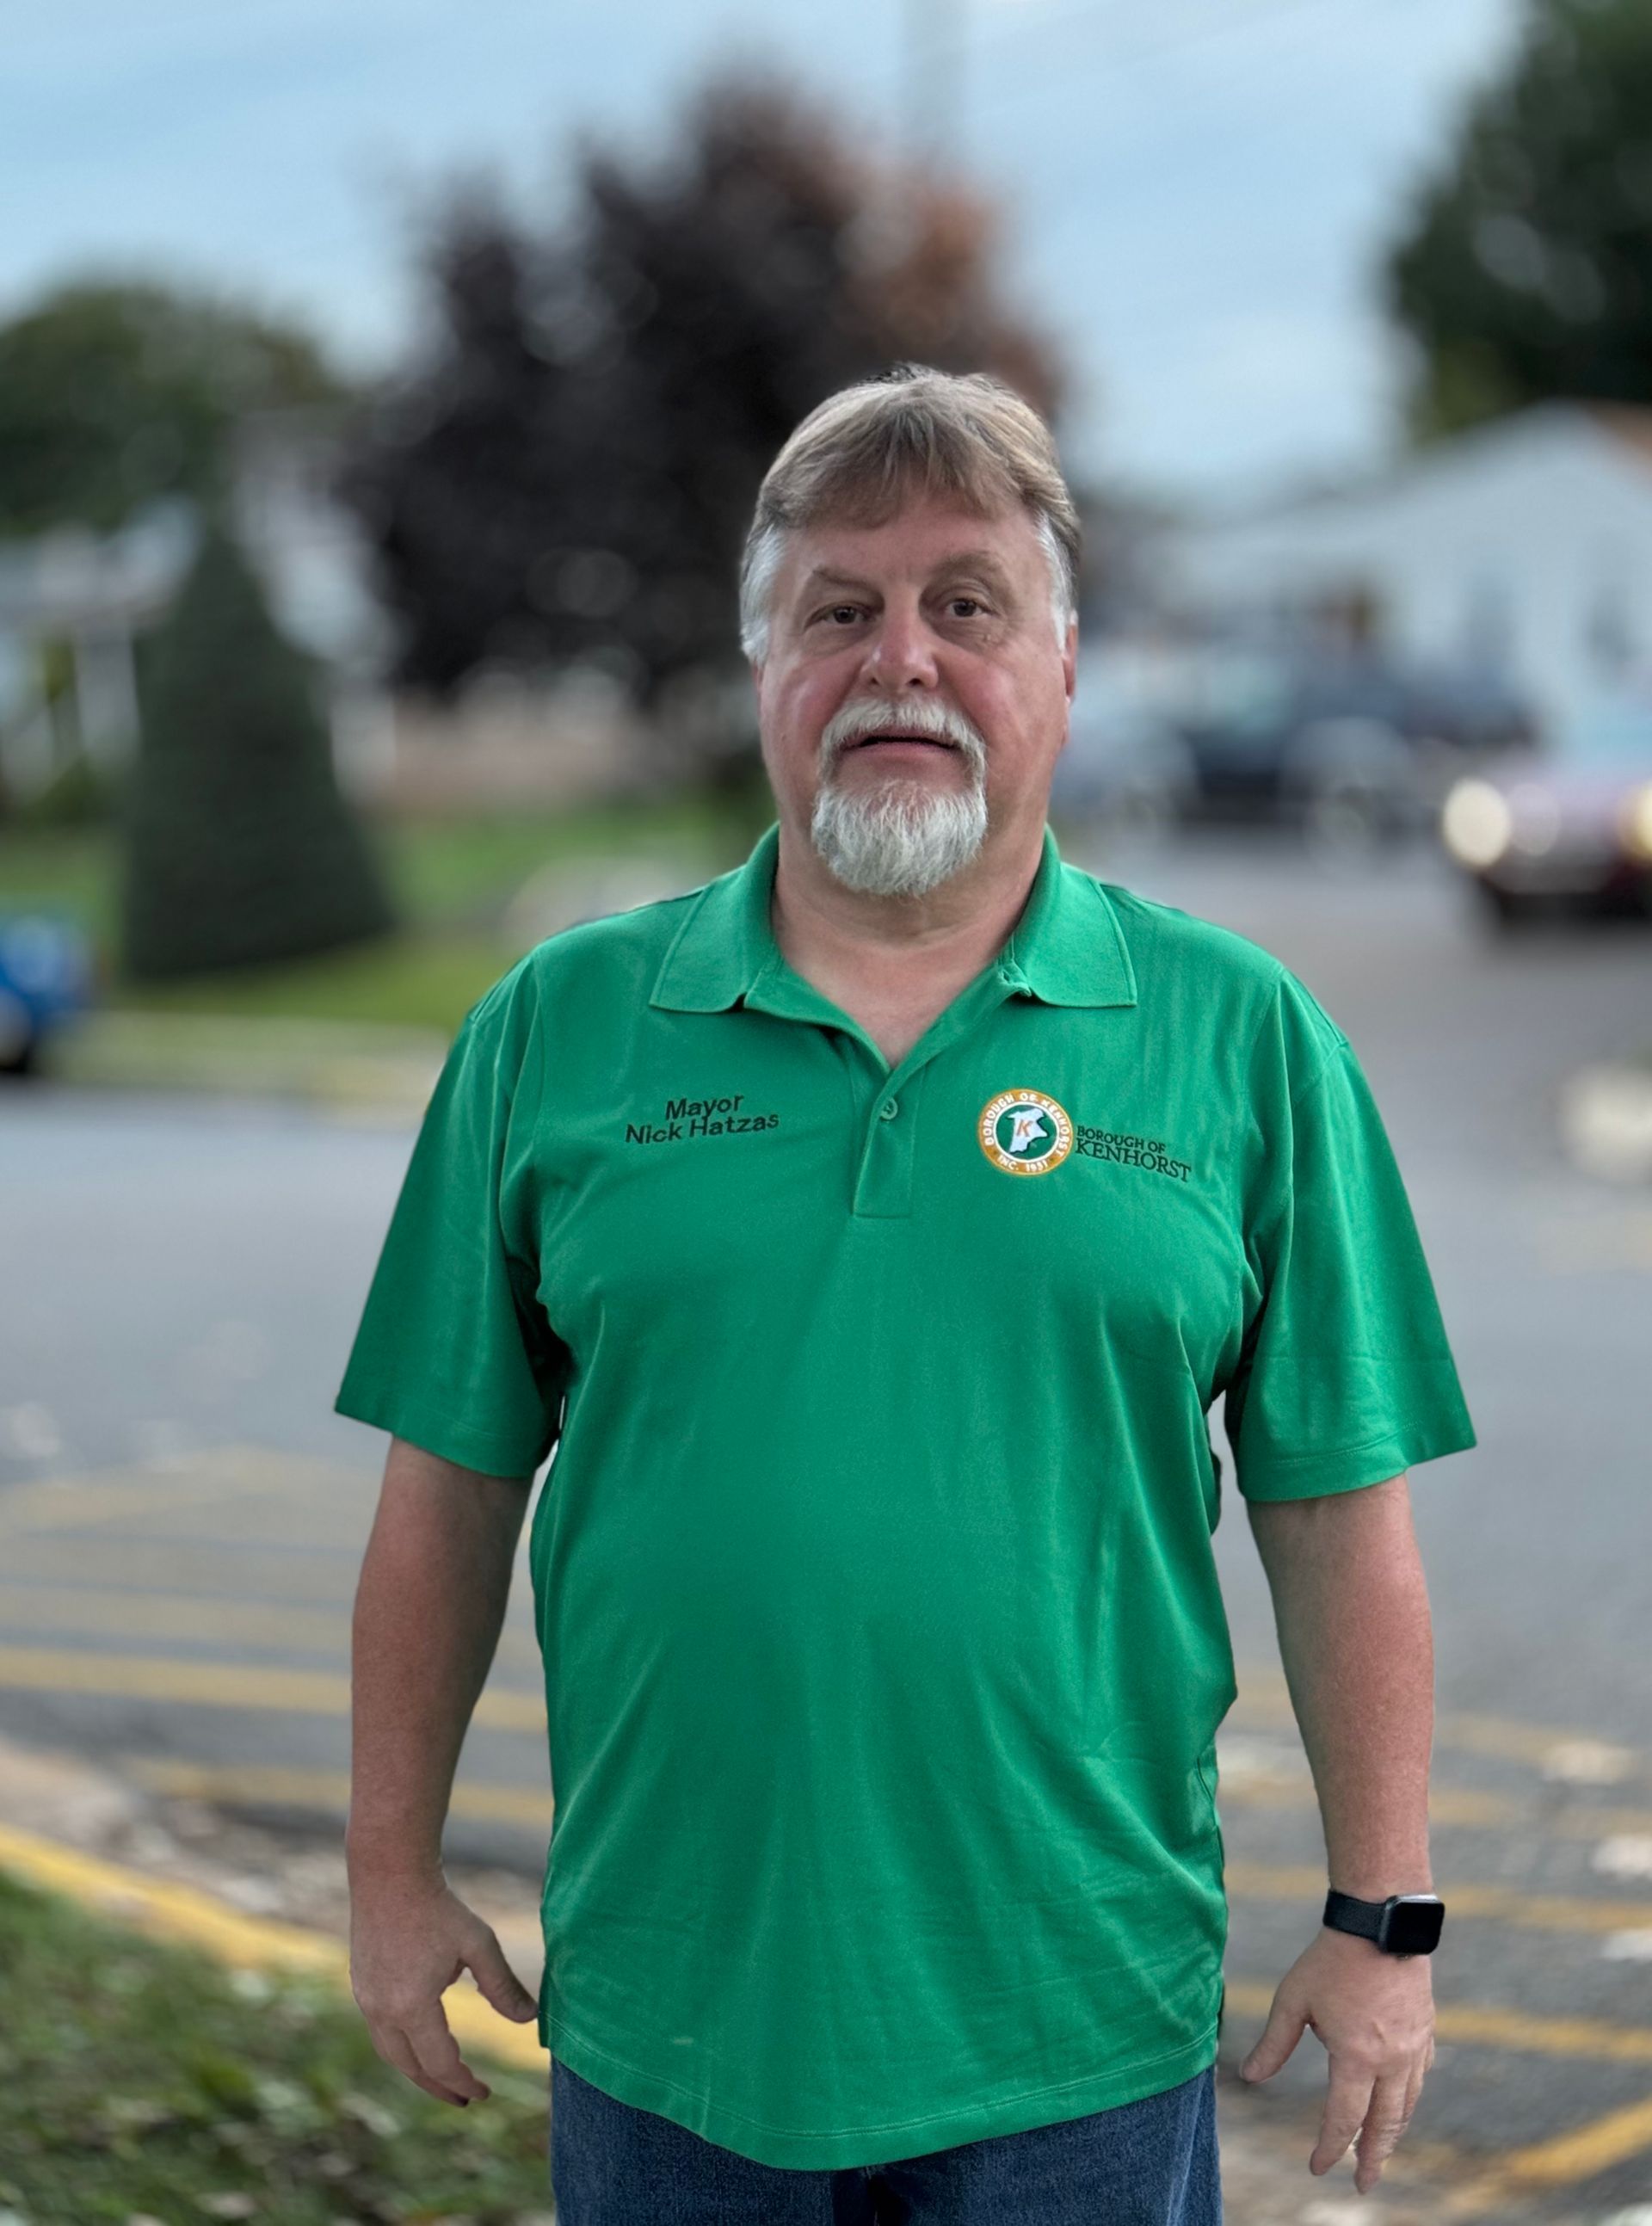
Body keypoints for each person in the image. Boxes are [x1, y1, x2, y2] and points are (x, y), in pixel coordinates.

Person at [336, 366, 1476, 2224]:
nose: (903, 663)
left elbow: (1340, 1514)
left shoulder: (1243, 1038)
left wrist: (1386, 1918)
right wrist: (389, 1873)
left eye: (969, 605)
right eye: (838, 612)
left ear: (1065, 670)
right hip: (669, 2024)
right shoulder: (556, 1029)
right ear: (761, 666)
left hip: (1077, 2033)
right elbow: (445, 1492)